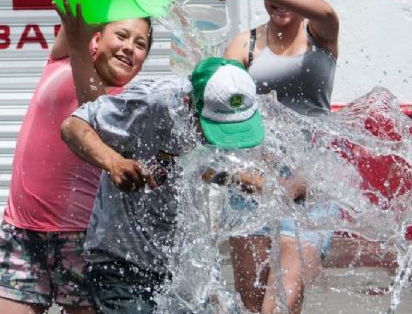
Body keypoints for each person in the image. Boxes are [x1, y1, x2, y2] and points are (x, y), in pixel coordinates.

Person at [0, 0, 164, 314]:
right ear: (97, 36)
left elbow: (91, 108)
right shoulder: (61, 58)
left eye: (141, 44)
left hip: (83, 241)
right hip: (21, 232)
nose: (130, 48)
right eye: (122, 35)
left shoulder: (127, 98)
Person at [60, 57, 266, 312]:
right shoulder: (150, 101)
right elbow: (73, 126)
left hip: (181, 264)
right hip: (122, 263)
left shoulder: (235, 107)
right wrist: (114, 162)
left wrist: (244, 179)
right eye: (215, 129)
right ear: (190, 103)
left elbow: (199, 165)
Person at [207, 0, 339, 313]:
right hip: (252, 188)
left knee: (279, 304)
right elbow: (220, 110)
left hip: (308, 186)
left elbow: (325, 11)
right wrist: (246, 177)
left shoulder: (322, 34)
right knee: (254, 308)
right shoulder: (243, 45)